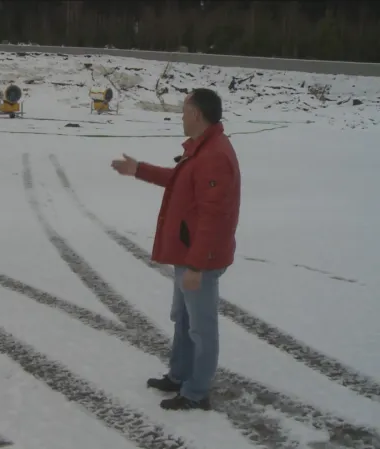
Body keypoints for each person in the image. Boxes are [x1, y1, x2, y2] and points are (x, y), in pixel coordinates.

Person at [111, 88, 241, 411]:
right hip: (189, 254)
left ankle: (196, 393)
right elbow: (178, 179)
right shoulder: (200, 148)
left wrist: (197, 266)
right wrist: (138, 169)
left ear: (196, 114)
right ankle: (179, 374)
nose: (181, 117)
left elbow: (213, 216)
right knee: (182, 318)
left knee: (201, 327)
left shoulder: (214, 156)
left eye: (184, 111)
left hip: (200, 259)